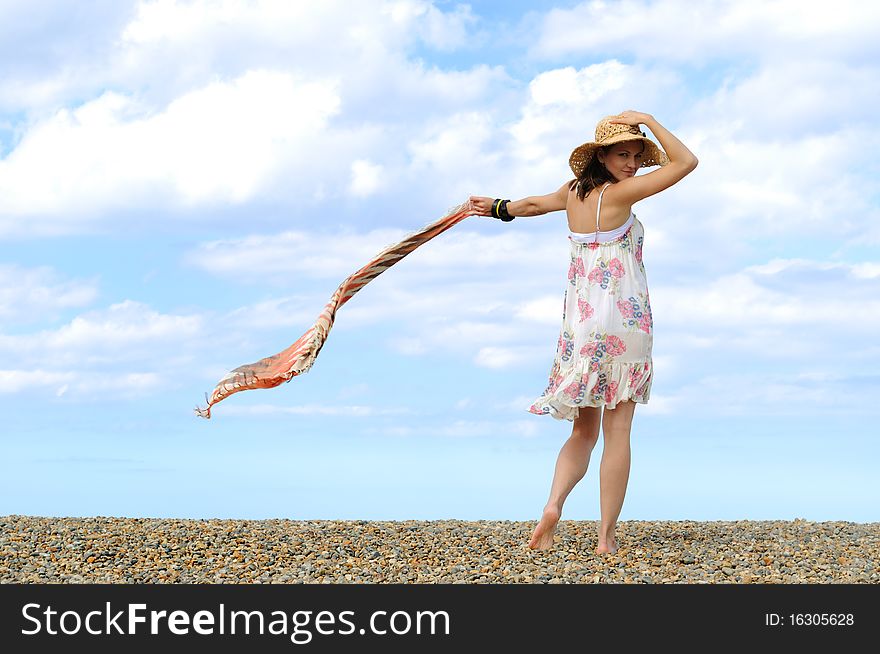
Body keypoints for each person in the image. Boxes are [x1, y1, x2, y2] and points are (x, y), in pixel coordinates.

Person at [469, 110, 698, 553]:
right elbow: (686, 162)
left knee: (581, 432)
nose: (632, 164)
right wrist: (650, 120)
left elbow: (530, 205)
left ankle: (552, 507)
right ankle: (606, 537)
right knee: (619, 431)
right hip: (625, 322)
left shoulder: (573, 193)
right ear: (603, 156)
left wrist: (497, 208)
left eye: (636, 156)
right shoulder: (623, 195)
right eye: (623, 155)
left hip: (580, 325)